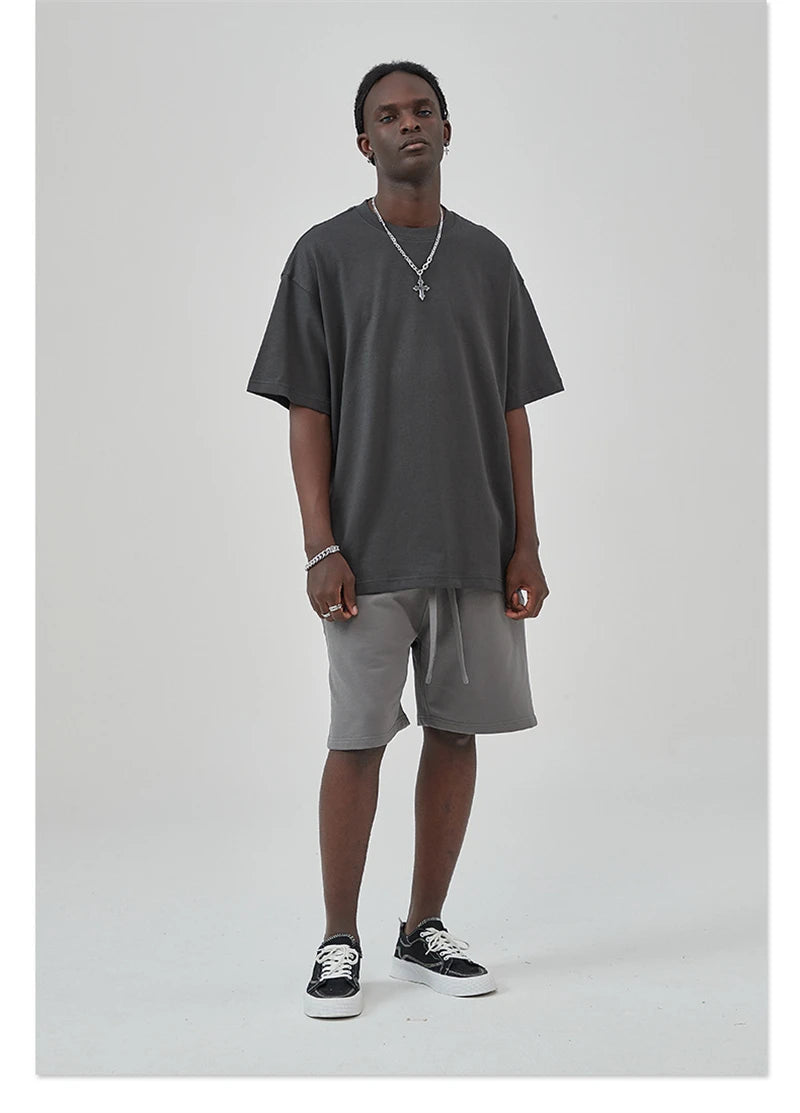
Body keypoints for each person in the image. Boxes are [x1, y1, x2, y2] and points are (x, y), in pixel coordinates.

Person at [246, 60, 565, 1019]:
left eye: (423, 110)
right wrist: (320, 544)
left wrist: (526, 542)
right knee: (357, 739)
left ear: (447, 129)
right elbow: (306, 411)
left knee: (456, 733)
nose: (408, 124)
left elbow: (512, 410)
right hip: (368, 552)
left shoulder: (488, 259)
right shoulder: (324, 255)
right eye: (388, 116)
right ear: (364, 142)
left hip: (476, 545)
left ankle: (423, 928)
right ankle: (338, 937)